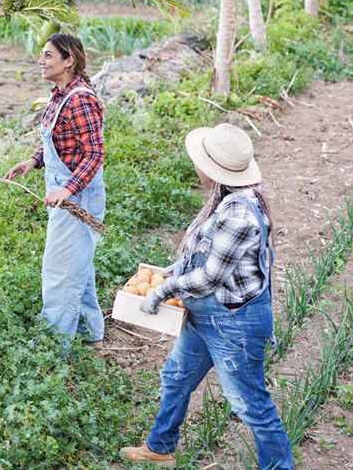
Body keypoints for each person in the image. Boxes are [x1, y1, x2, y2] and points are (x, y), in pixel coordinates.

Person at [120, 123, 294, 469]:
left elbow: (211, 276)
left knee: (250, 406)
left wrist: (163, 289)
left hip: (233, 324)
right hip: (207, 316)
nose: (196, 166)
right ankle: (161, 447)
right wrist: (172, 271)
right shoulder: (225, 197)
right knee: (176, 377)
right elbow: (203, 252)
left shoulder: (239, 213)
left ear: (212, 169)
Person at [4, 33, 106, 347]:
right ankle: (90, 332)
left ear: (68, 60)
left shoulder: (80, 98)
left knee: (60, 270)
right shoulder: (61, 93)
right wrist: (33, 161)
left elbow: (95, 153)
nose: (41, 61)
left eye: (48, 55)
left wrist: (68, 190)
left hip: (78, 196)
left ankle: (52, 346)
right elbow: (60, 141)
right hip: (66, 191)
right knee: (79, 264)